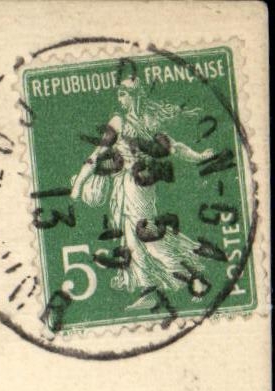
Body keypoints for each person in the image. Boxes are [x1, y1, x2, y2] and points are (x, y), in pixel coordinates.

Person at [69, 71, 215, 300]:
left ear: (135, 95)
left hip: (138, 185)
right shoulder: (119, 122)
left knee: (149, 239)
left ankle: (195, 277)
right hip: (128, 185)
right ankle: (151, 289)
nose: (119, 98)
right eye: (119, 93)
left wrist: (199, 157)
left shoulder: (146, 122)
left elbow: (173, 147)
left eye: (123, 93)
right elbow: (98, 153)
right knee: (134, 243)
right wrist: (79, 183)